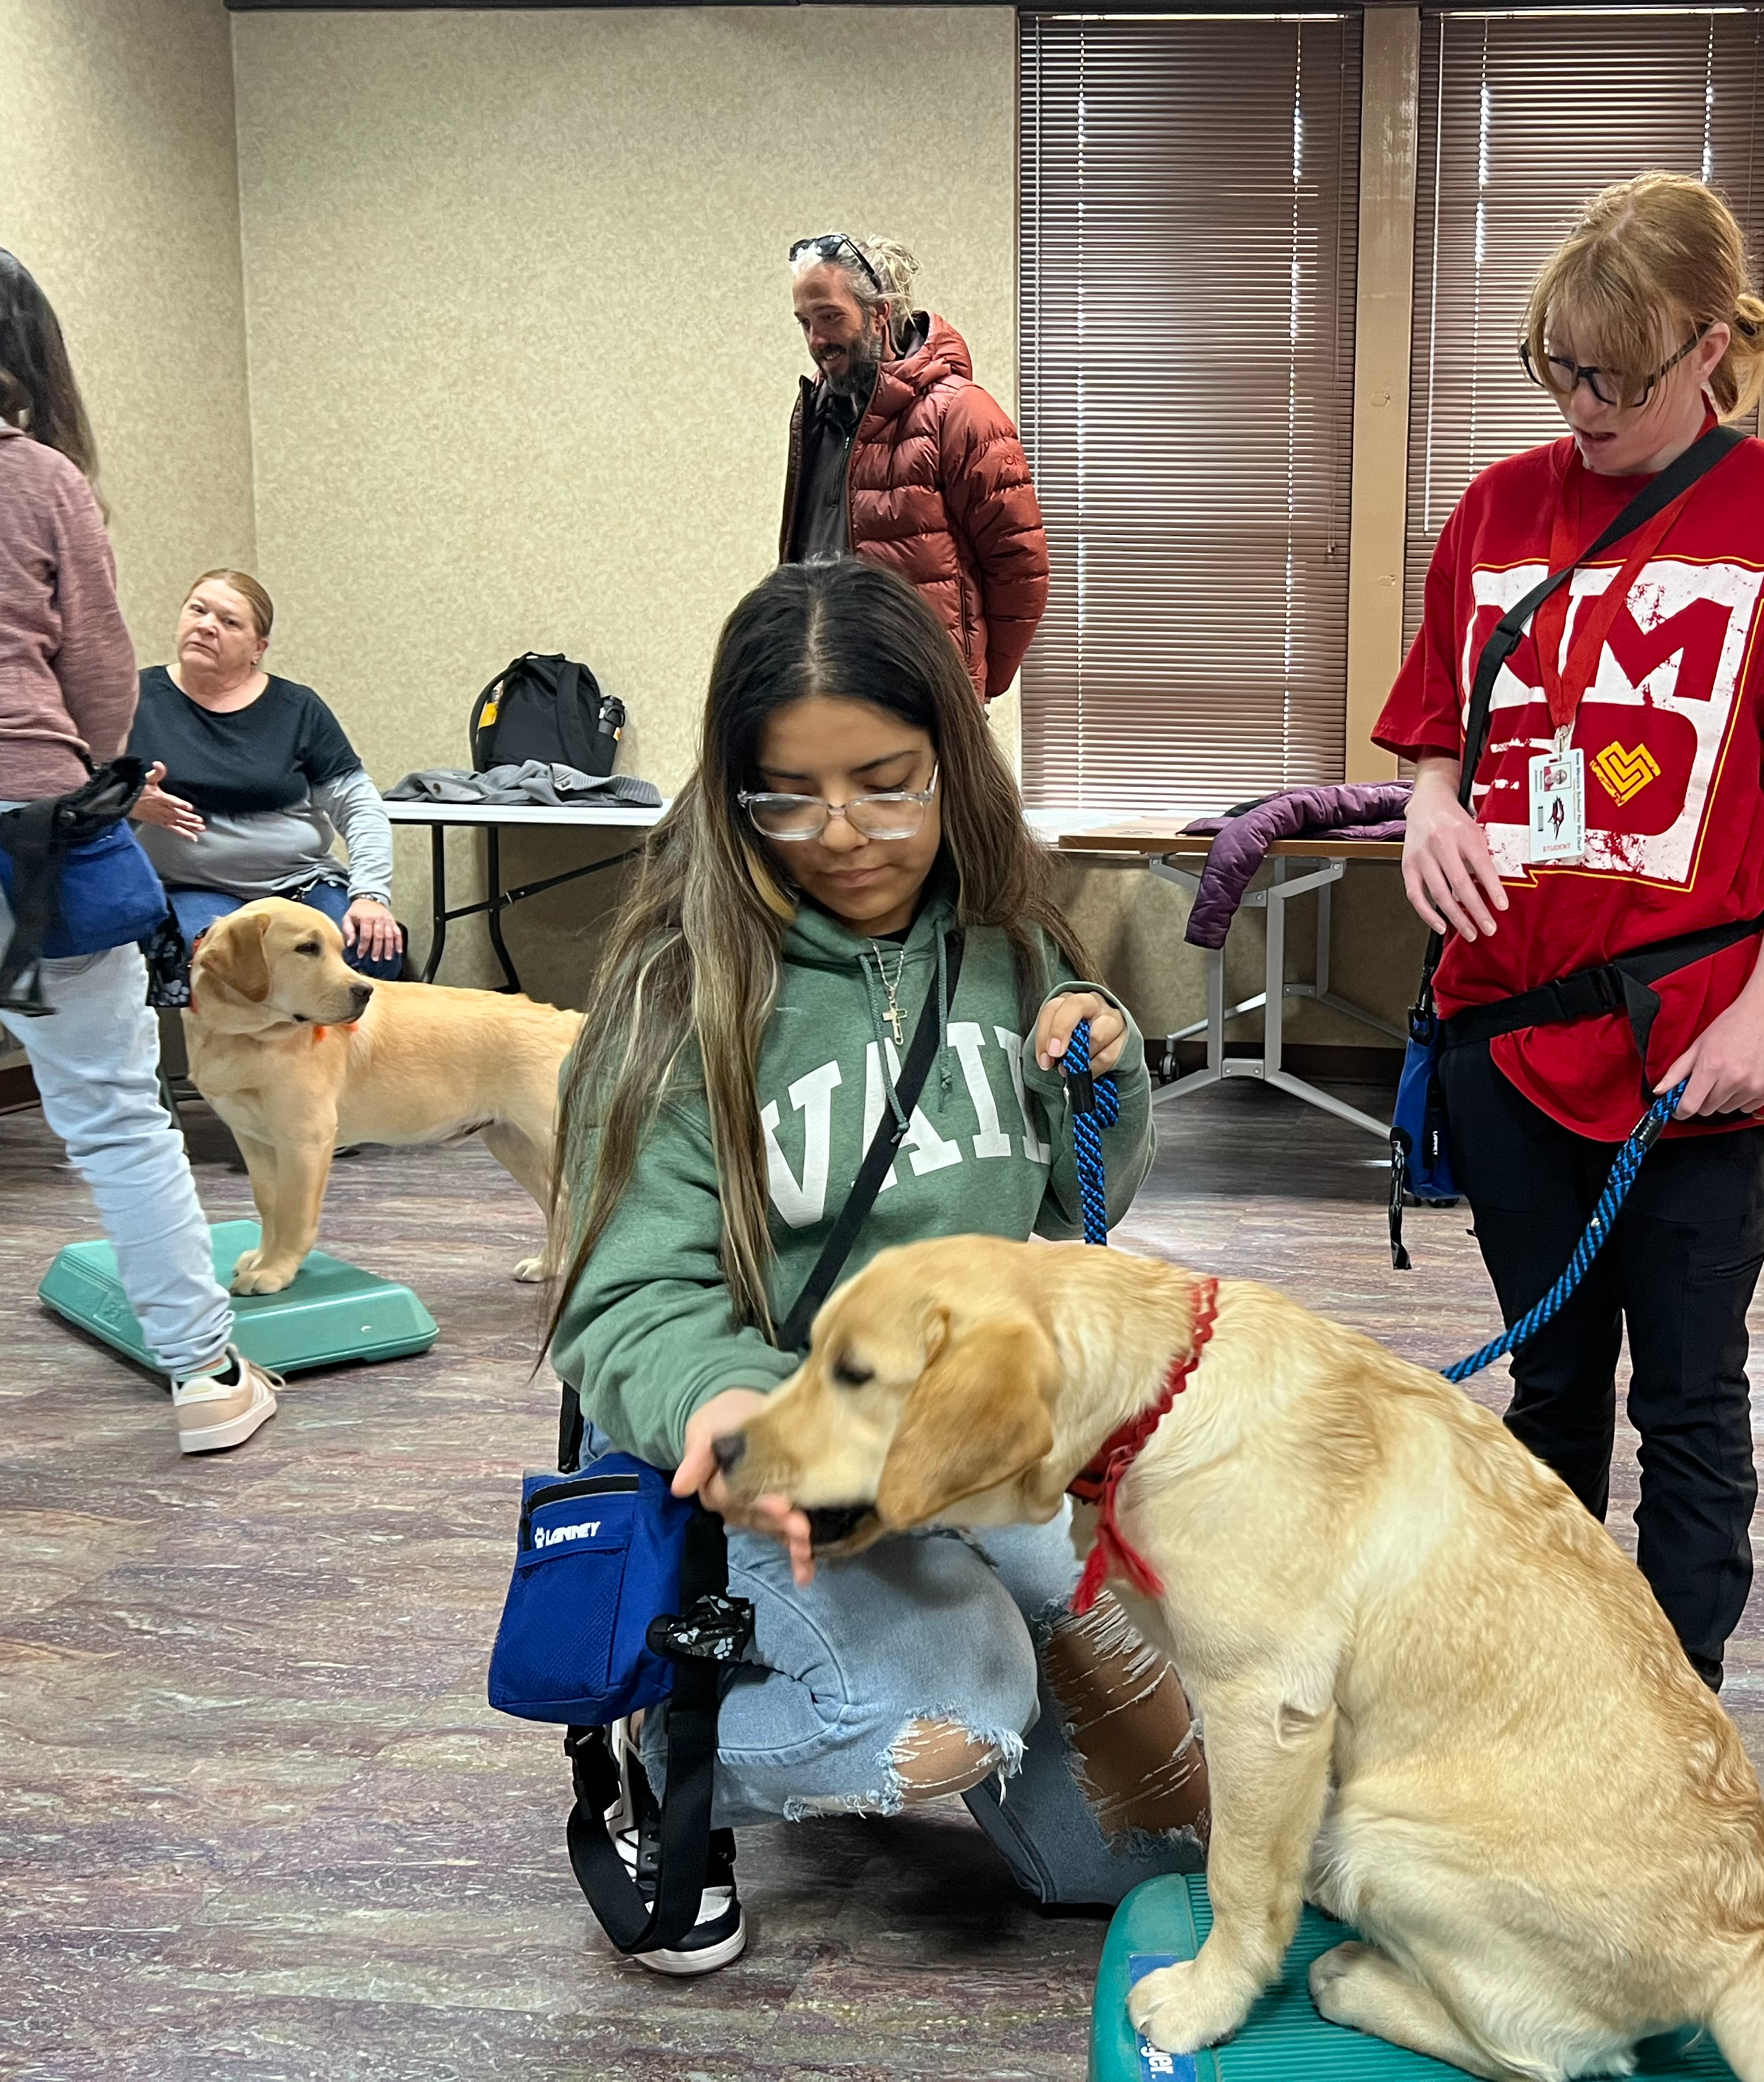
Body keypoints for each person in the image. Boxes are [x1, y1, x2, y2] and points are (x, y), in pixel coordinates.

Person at [546, 556, 1204, 1973]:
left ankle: (912, 1681)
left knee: (1157, 1814)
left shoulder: (1012, 941)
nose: (839, 832)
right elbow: (619, 1299)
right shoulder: (682, 984)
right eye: (786, 792)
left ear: (954, 763)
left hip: (961, 1446)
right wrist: (733, 1411)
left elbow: (1077, 1215)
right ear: (733, 792)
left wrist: (1104, 1080)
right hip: (771, 1458)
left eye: (886, 781)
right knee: (950, 1709)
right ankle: (682, 1750)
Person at [1376, 175, 1764, 1692]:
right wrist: (1432, 807)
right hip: (1507, 1033)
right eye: (1560, 368)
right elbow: (1434, 730)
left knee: (1688, 1398)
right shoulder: (1495, 507)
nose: (1585, 405)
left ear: (1714, 344)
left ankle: (1678, 1728)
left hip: (1693, 1047)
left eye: (1621, 374)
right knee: (1549, 1390)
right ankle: (1550, 1708)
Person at [0, 234, 281, 1481]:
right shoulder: (31, 478)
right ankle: (206, 1377)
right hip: (32, 843)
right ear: (11, 348)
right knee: (119, 1118)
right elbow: (106, 687)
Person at [779, 233, 1048, 700]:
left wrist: (968, 686)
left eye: (830, 317)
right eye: (805, 322)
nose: (816, 340)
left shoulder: (960, 414)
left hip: (924, 699)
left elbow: (1021, 569)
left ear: (879, 313)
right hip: (826, 692)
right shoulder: (814, 415)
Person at [125, 569, 404, 979]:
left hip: (299, 883)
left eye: (228, 621)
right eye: (197, 610)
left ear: (258, 648)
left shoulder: (298, 709)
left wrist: (369, 895)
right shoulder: (133, 699)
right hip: (190, 887)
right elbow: (79, 791)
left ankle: (329, 1047)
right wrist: (129, 801)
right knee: (222, 964)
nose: (206, 626)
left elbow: (359, 806)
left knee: (367, 952)